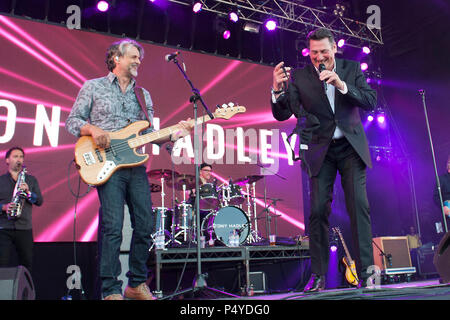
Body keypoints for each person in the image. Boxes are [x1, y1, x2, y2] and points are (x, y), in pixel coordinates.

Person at [65, 39, 192, 300]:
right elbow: (72, 121)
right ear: (116, 59)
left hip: (135, 166)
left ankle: (135, 284)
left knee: (145, 224)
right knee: (113, 226)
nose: (138, 62)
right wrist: (93, 129)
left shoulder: (143, 95)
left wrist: (175, 134)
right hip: (106, 164)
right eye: (133, 57)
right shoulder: (94, 87)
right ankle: (111, 290)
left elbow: (150, 135)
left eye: (139, 58)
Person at [271, 28, 377, 292]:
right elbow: (284, 113)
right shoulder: (300, 76)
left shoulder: (351, 69)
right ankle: (318, 276)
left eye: (324, 52)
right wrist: (276, 90)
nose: (319, 57)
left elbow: (369, 100)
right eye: (314, 52)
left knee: (358, 206)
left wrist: (341, 84)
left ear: (334, 49)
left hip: (350, 147)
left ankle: (365, 272)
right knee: (318, 211)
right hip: (320, 150)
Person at [0, 147, 43, 273]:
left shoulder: (31, 180)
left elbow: (39, 201)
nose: (19, 159)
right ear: (7, 160)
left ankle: (24, 292)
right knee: (1, 265)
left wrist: (29, 193)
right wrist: (4, 207)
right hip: (3, 228)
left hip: (24, 228)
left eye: (21, 157)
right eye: (15, 156)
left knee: (26, 264)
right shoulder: (1, 180)